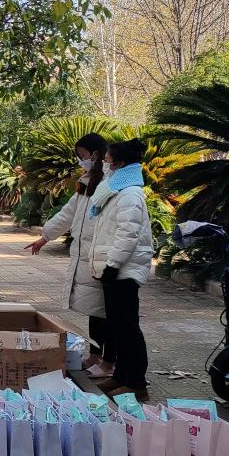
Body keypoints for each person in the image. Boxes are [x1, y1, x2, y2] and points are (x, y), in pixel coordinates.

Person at [24, 133, 114, 377]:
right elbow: (68, 213)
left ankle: (108, 362)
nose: (80, 160)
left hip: (102, 256)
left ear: (95, 154)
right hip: (86, 256)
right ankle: (95, 355)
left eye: (82, 155)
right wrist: (45, 237)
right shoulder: (87, 181)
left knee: (106, 313)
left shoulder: (111, 182)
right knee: (95, 310)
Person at [87, 138, 154, 400]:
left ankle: (136, 383)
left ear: (120, 163)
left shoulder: (130, 194)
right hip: (114, 269)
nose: (104, 163)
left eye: (107, 159)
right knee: (117, 327)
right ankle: (121, 376)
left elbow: (128, 234)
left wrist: (113, 266)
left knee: (127, 329)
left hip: (124, 271)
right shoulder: (115, 190)